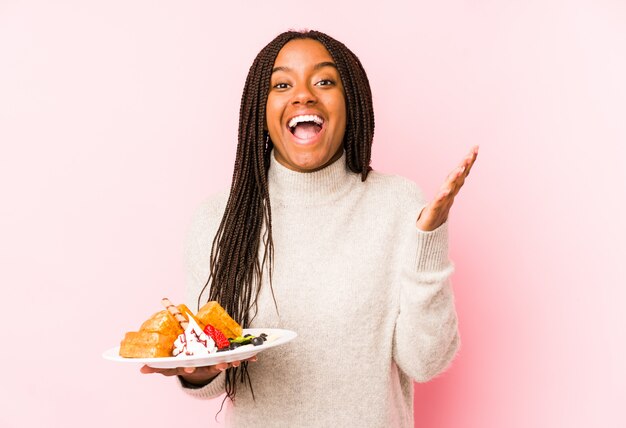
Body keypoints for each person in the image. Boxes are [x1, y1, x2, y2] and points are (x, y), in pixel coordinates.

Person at [141, 29, 478, 427]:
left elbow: (426, 362)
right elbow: (211, 376)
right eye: (282, 84)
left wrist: (429, 242)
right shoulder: (220, 217)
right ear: (260, 111)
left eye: (324, 81)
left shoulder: (397, 204)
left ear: (350, 102)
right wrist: (197, 369)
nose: (303, 95)